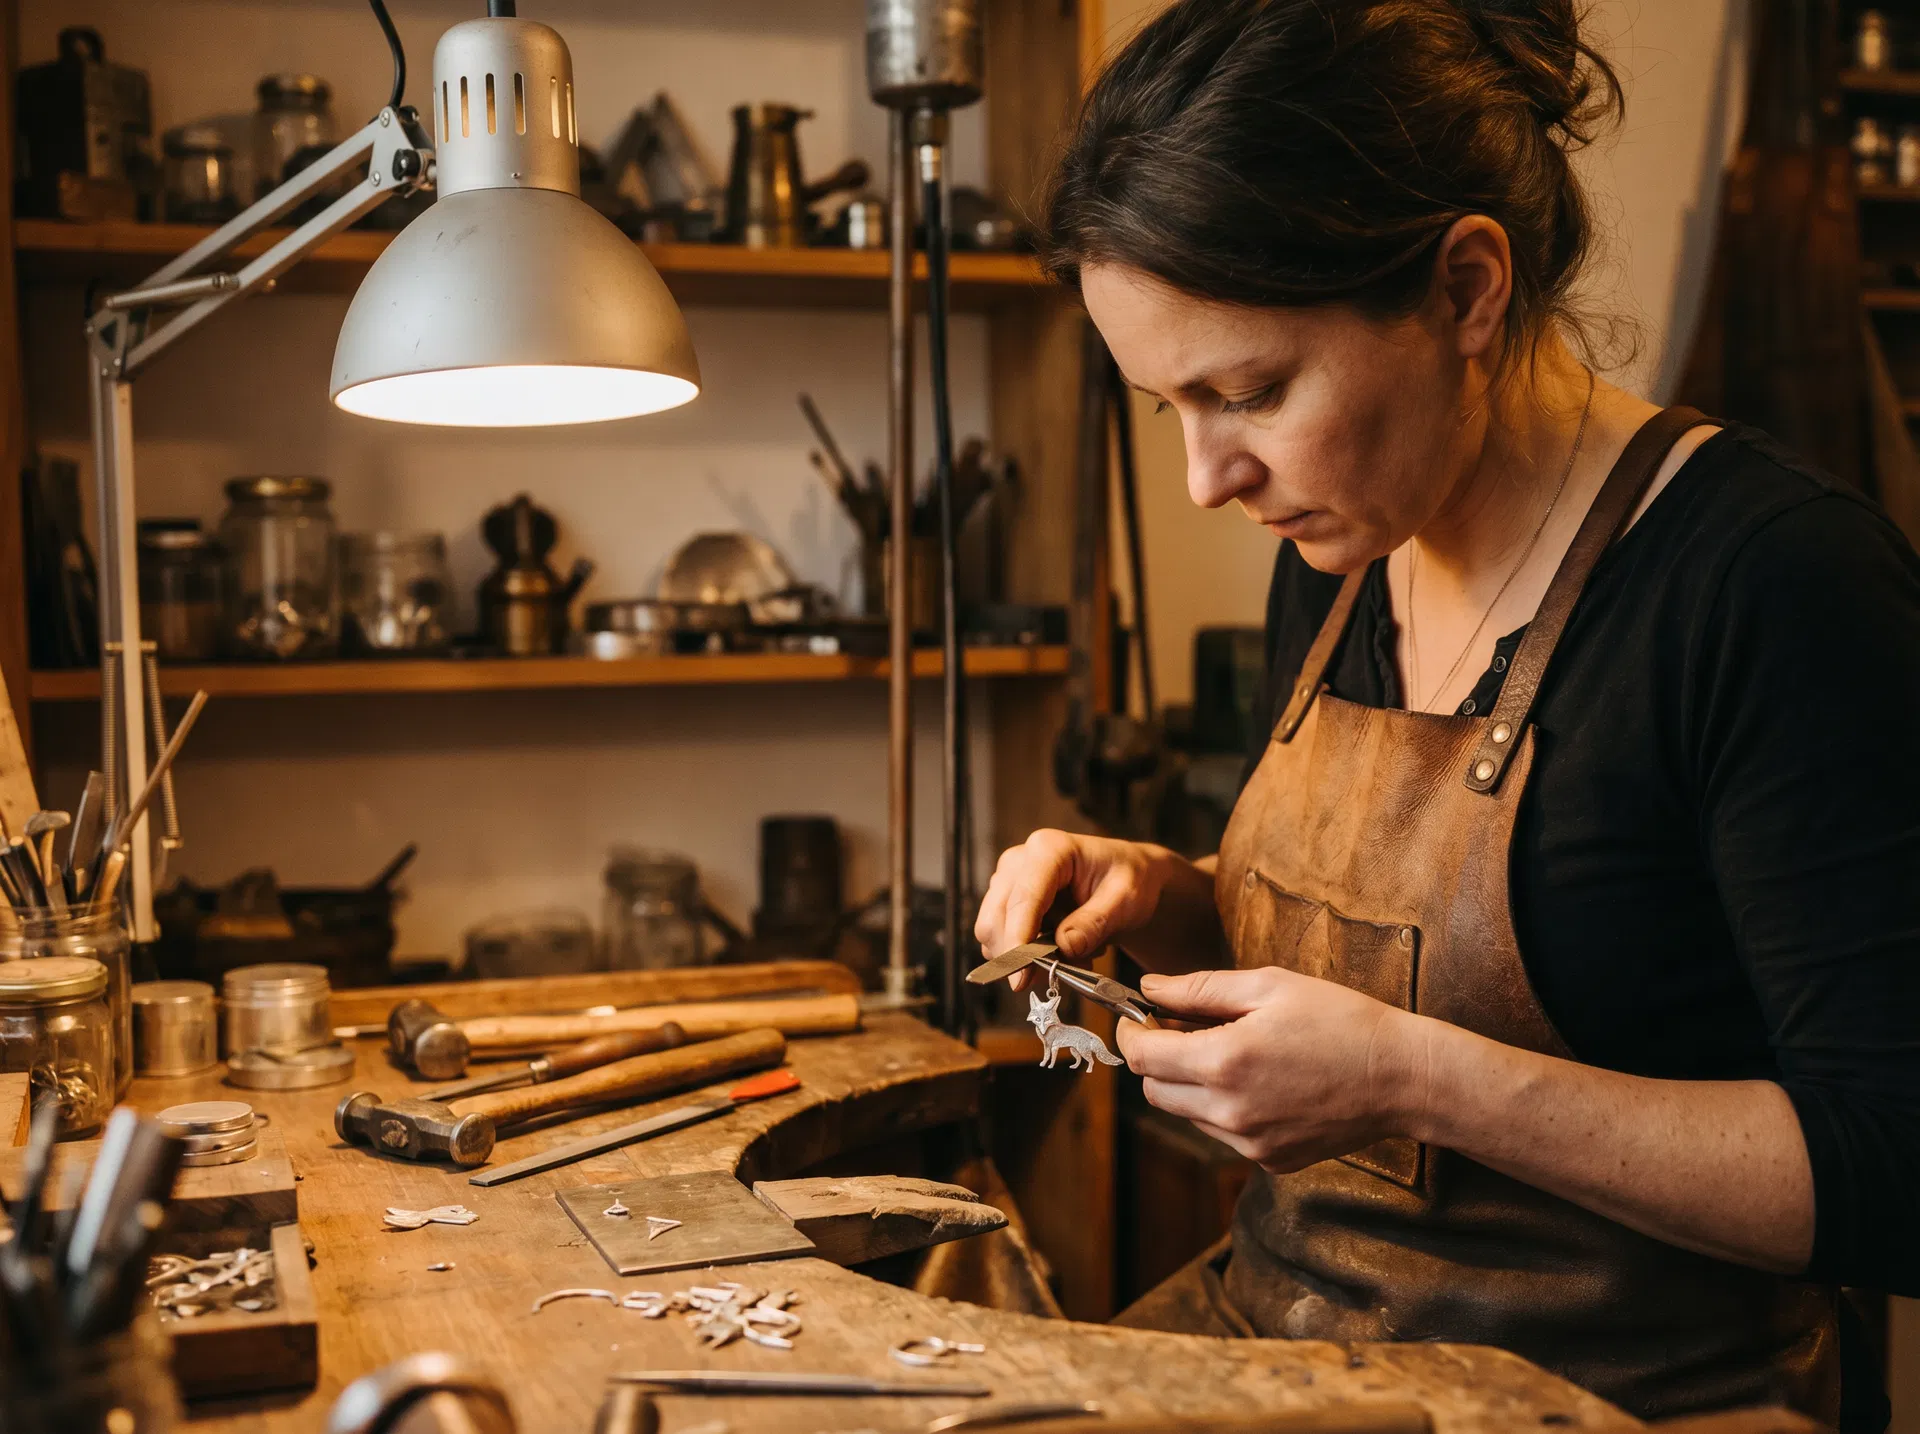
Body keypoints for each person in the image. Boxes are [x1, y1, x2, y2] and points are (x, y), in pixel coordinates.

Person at [972, 2, 1920, 1428]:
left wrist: (1417, 1082)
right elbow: (1418, 945)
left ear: (1469, 290)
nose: (1205, 478)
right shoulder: (1347, 546)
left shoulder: (1774, 587)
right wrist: (1163, 903)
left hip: (1627, 1399)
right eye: (1168, 402)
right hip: (1291, 1353)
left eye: (1249, 391)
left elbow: (1893, 1168)